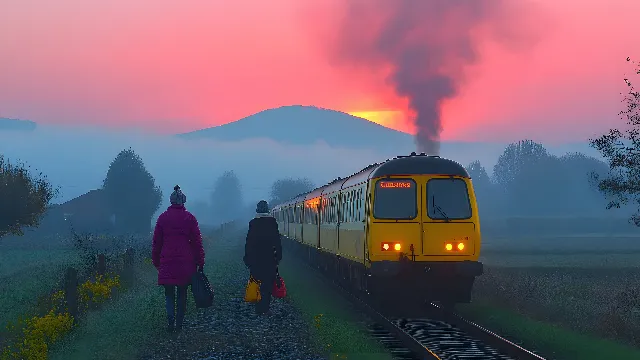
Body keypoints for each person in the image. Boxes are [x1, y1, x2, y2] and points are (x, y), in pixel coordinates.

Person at [152, 185, 205, 332]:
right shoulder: (190, 219)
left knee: (169, 293)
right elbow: (197, 243)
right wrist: (200, 261)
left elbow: (157, 242)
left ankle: (170, 320)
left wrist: (156, 261)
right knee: (182, 292)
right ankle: (179, 323)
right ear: (183, 201)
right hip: (185, 262)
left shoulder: (162, 218)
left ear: (171, 201)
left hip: (167, 261)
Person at [243, 200, 282, 315]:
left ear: (257, 210)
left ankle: (258, 305)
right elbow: (277, 241)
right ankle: (265, 307)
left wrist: (247, 258)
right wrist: (278, 256)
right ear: (267, 210)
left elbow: (249, 242)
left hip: (255, 258)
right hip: (269, 258)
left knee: (257, 280)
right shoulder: (272, 222)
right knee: (268, 283)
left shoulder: (253, 223)